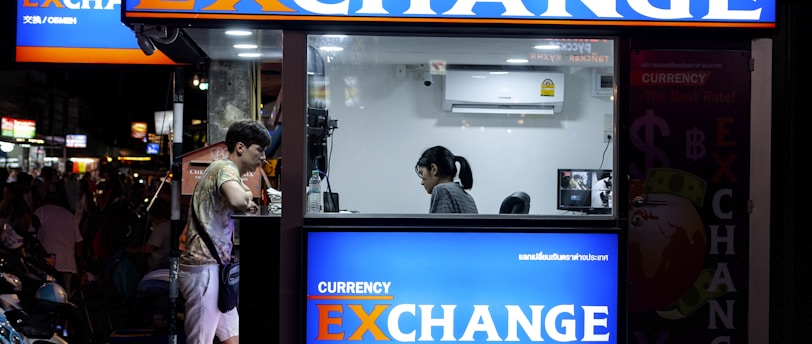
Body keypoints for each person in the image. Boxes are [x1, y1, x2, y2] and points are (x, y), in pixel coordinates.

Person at [178, 119, 270, 344]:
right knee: (200, 341)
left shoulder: (225, 171)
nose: (263, 158)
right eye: (259, 150)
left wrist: (246, 195)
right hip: (203, 269)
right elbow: (239, 199)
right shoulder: (224, 168)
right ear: (240, 147)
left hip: (216, 268)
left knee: (231, 337)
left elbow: (243, 194)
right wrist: (247, 197)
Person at [33, 187, 84, 297]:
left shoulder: (41, 211)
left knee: (44, 296)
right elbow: (79, 242)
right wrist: (79, 262)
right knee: (64, 296)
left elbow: (31, 234)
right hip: (67, 263)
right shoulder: (70, 215)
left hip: (45, 263)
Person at [415, 145, 478, 214]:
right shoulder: (468, 198)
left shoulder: (442, 190)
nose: (422, 182)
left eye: (422, 174)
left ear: (433, 169)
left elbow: (439, 224)